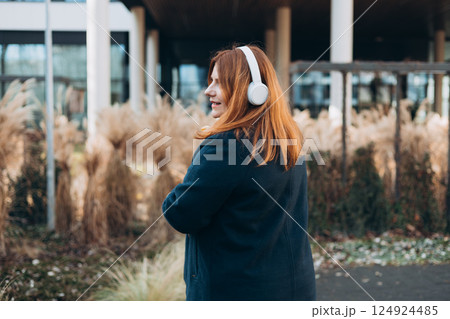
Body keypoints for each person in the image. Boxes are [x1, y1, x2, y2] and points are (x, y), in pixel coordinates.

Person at [162, 44, 316, 301]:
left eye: (219, 83)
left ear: (254, 91)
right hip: (293, 289)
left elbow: (180, 214)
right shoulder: (290, 140)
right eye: (210, 81)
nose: (208, 90)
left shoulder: (225, 146)